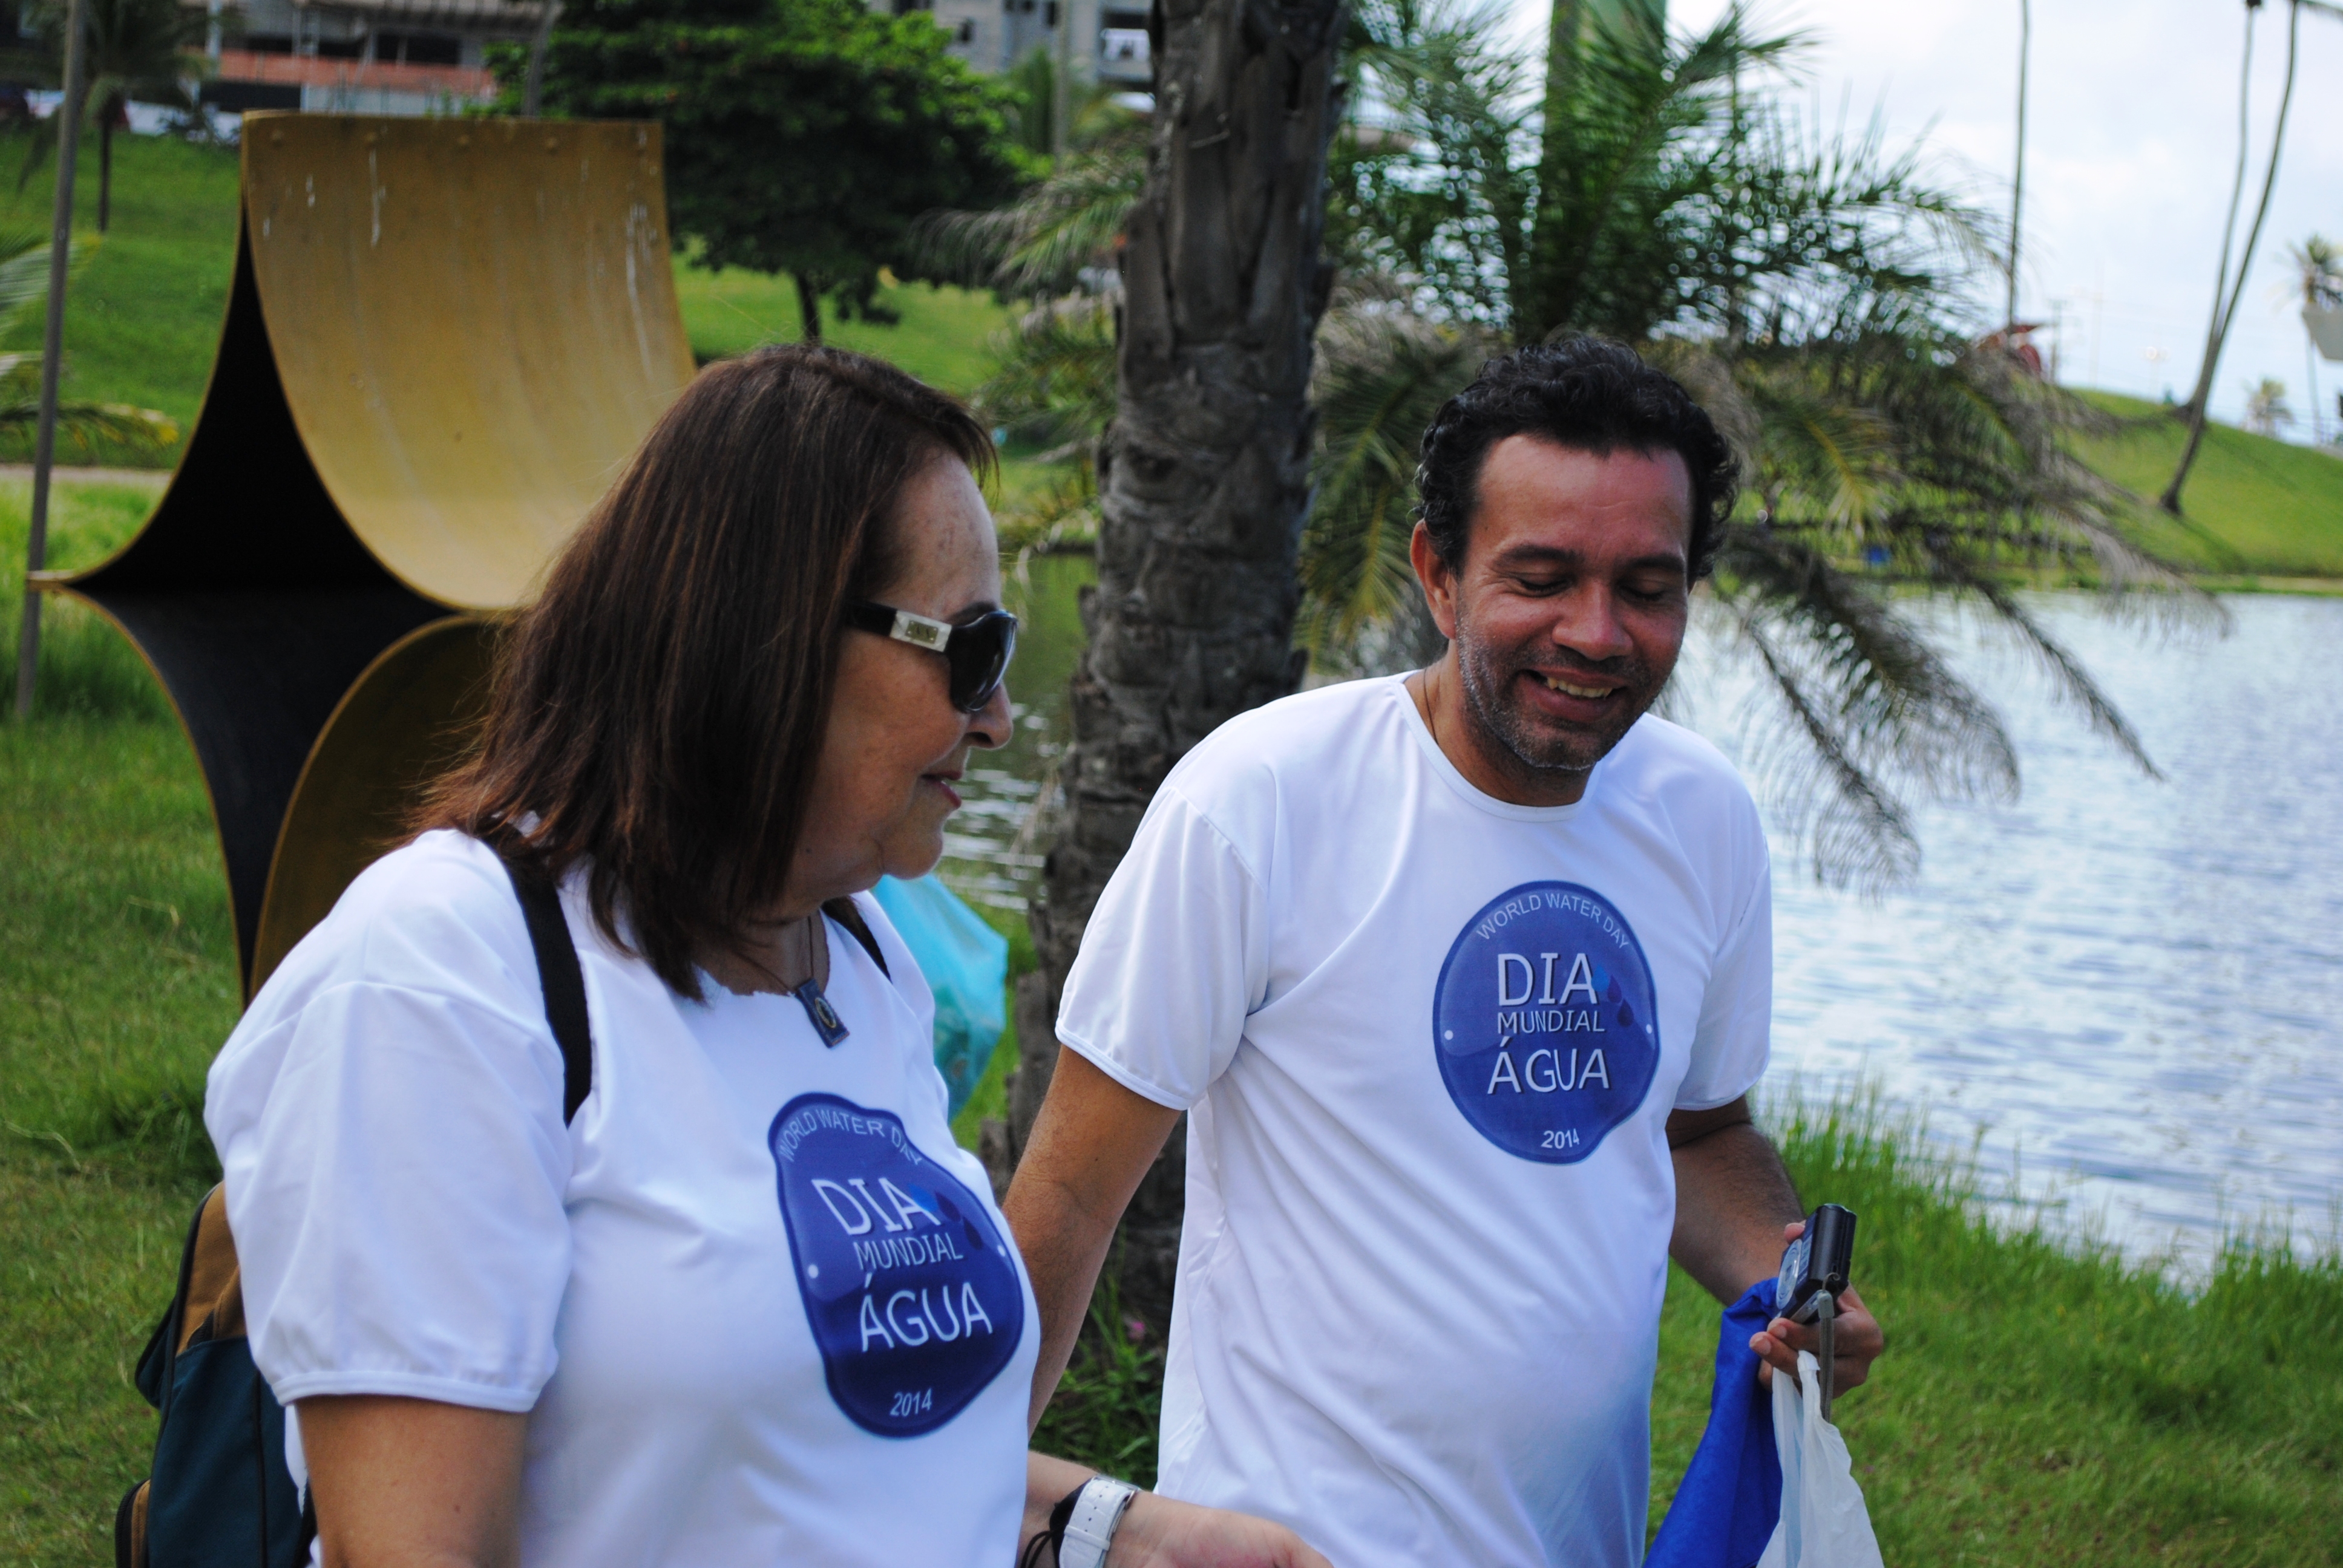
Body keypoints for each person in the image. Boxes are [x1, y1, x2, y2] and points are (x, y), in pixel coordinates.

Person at [205, 345, 1330, 1568]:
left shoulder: (854, 953)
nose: (1001, 718)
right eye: (972, 651)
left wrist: (1128, 1533)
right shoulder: (444, 974)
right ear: (770, 637)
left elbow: (826, 1455)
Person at [1004, 338, 1886, 1568]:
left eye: (1647, 586)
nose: (1597, 632)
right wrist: (940, 1497)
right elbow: (1069, 1197)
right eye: (1542, 577)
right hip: (1284, 1551)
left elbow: (1699, 1135)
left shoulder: (1704, 818)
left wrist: (1790, 1289)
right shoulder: (1262, 799)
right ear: (1437, 573)